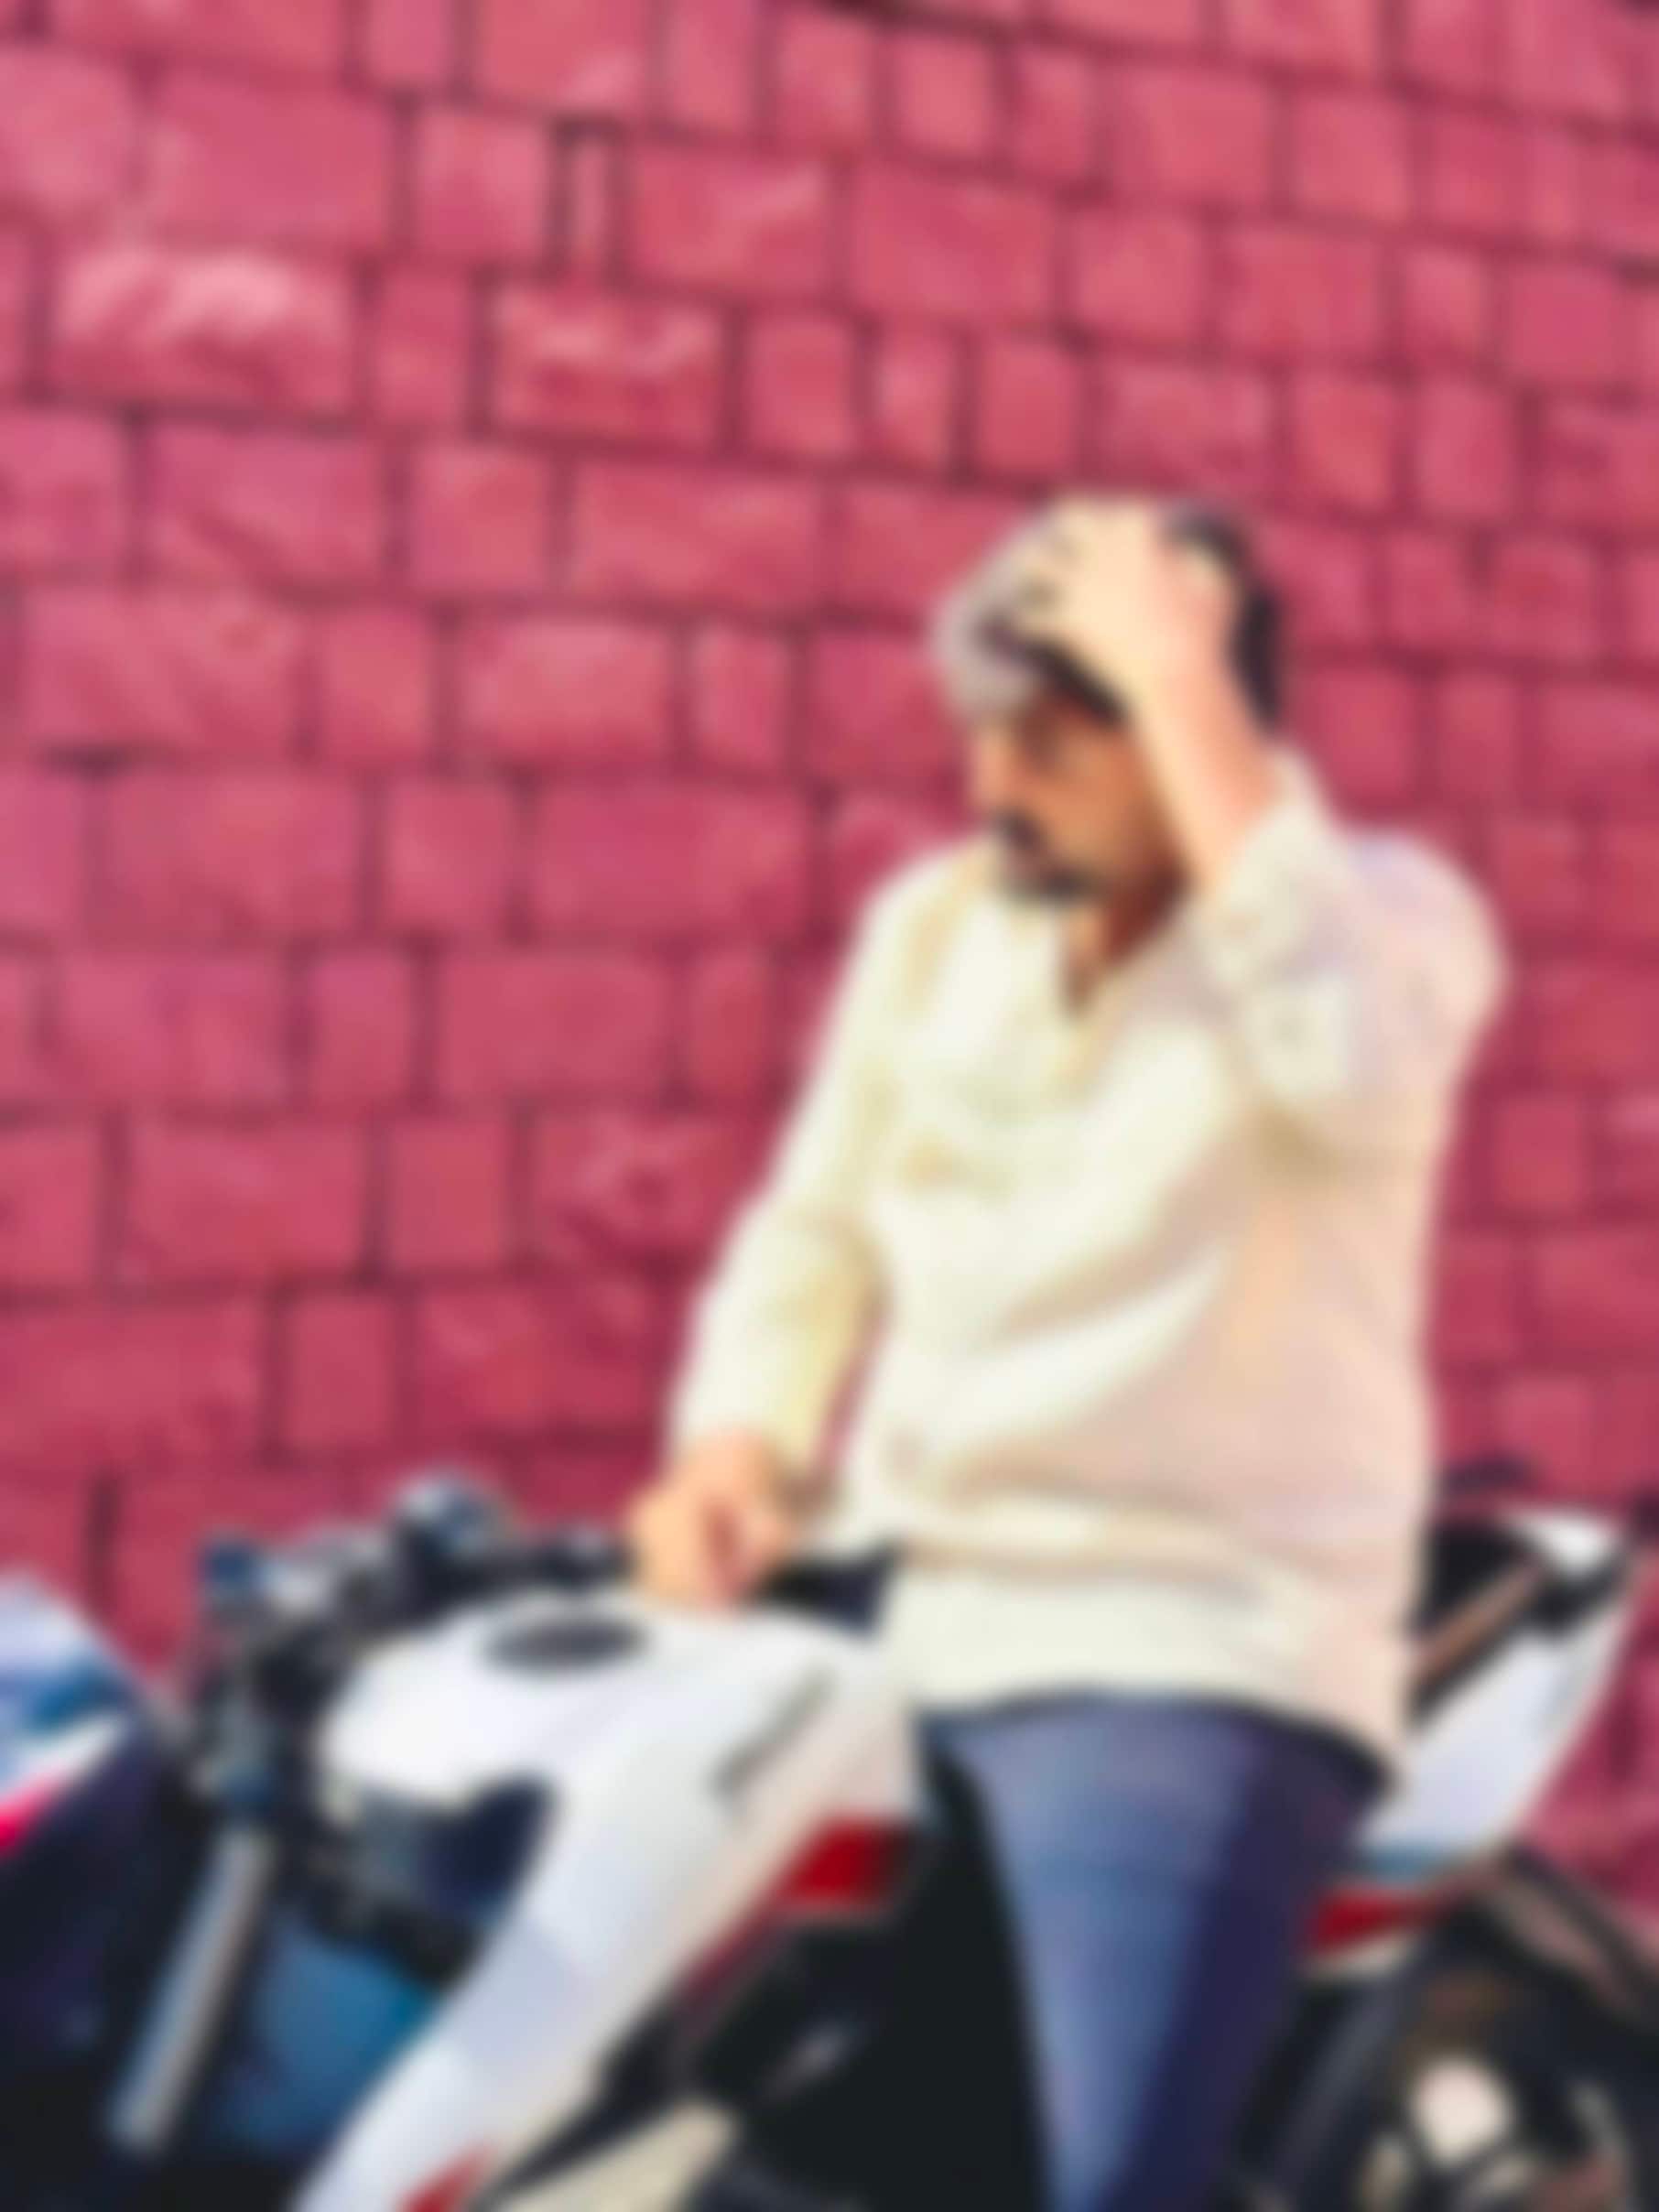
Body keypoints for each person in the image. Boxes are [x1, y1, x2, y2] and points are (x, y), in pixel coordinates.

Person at [625, 492, 1513, 2210]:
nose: (991, 784)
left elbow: (1354, 1074)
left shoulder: (1392, 925)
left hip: (1181, 1639)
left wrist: (1182, 677)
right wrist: (733, 1448)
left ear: (1195, 726)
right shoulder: (938, 927)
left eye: (1049, 742)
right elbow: (817, 1229)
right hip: (895, 1595)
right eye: (981, 734)